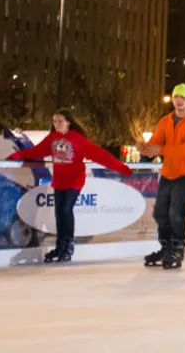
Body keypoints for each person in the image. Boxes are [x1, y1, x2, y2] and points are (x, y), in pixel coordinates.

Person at [8, 109, 132, 263]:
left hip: (74, 180)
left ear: (68, 122)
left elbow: (98, 154)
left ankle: (68, 246)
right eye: (54, 121)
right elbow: (36, 151)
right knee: (59, 212)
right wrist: (17, 155)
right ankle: (60, 246)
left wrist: (120, 167)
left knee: (66, 209)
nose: (57, 124)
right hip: (59, 181)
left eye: (60, 121)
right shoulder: (52, 138)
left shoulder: (76, 138)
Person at [139, 84, 185, 270]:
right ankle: (166, 246)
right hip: (170, 170)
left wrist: (160, 150)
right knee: (160, 211)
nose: (178, 101)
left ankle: (177, 246)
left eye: (183, 98)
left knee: (176, 210)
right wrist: (145, 149)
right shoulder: (166, 120)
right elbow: (157, 142)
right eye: (176, 96)